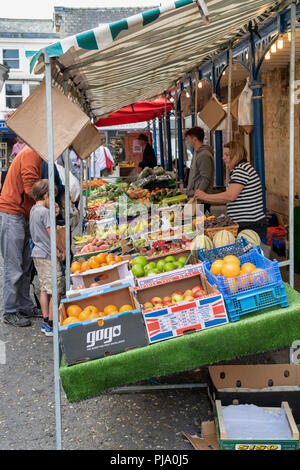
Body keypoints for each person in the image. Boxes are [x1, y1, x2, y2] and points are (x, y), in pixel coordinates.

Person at [0, 145, 43, 327]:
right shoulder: (32, 153)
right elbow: (30, 188)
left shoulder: (35, 154)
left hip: (21, 214)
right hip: (12, 213)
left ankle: (24, 305)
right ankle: (10, 311)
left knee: (25, 264)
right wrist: (47, 199)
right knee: (14, 265)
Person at [194, 141, 267, 240]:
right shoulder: (242, 169)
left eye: (227, 155)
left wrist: (205, 196)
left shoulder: (241, 170)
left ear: (237, 156)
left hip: (250, 226)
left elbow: (230, 196)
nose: (223, 158)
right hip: (248, 225)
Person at [30, 179, 65, 337]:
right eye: (53, 197)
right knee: (56, 290)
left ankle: (46, 321)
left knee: (44, 288)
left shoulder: (33, 210)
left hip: (37, 253)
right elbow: (53, 236)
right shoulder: (45, 213)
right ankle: (52, 324)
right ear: (46, 195)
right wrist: (62, 249)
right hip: (48, 255)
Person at [185, 127, 214, 213]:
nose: (188, 141)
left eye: (188, 139)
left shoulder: (203, 155)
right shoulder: (197, 153)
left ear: (195, 139)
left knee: (199, 225)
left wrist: (198, 195)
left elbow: (206, 177)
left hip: (201, 199)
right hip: (197, 197)